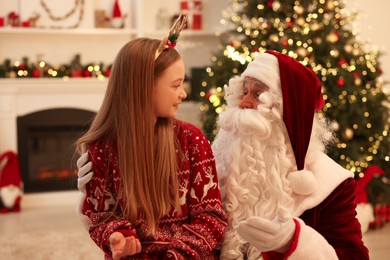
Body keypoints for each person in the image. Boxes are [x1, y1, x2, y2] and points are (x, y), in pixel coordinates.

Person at [75, 14, 227, 260]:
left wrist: (177, 255)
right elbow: (100, 215)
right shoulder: (101, 147)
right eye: (176, 85)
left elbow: (211, 216)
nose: (183, 94)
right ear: (144, 87)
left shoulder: (191, 140)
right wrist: (116, 237)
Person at [212, 50, 369, 259]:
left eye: (257, 94)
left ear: (286, 112)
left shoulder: (332, 184)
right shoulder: (216, 163)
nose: (244, 103)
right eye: (244, 92)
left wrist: (295, 241)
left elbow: (353, 255)